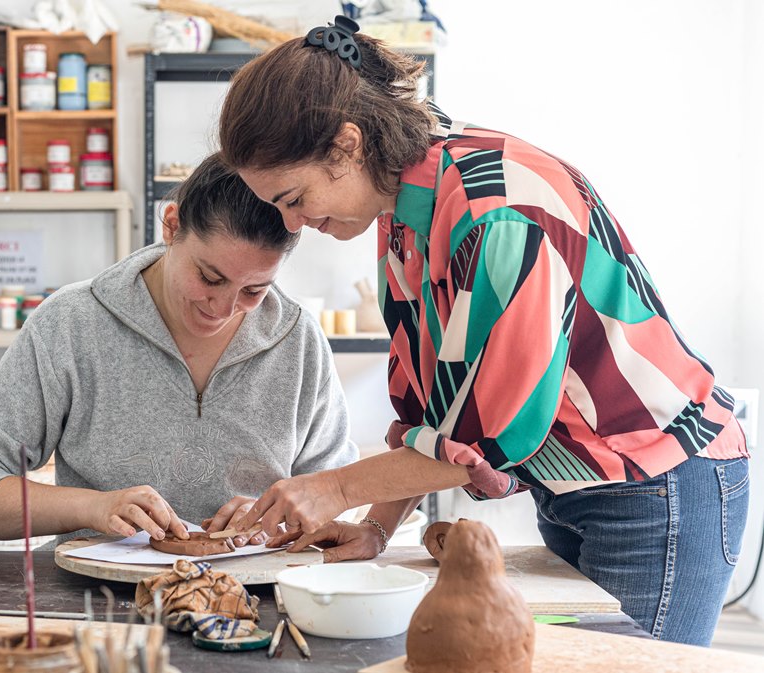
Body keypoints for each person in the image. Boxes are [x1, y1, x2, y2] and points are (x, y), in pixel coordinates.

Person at [218, 16, 749, 646]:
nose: (293, 223)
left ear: (347, 146)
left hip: (658, 482)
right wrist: (377, 528)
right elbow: (442, 415)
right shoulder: (405, 208)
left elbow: (493, 433)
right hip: (578, 489)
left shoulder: (495, 213)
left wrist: (334, 487)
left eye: (291, 197)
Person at [0, 153, 358, 549]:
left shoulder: (299, 340)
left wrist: (278, 519)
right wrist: (92, 508)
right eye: (209, 278)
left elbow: (337, 506)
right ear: (171, 226)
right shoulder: (72, 323)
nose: (223, 309)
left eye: (254, 290)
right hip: (97, 599)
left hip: (253, 599)